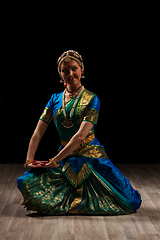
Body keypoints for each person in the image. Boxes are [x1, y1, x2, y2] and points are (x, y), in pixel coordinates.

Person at [17, 50, 142, 215]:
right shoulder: (54, 99)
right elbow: (37, 133)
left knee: (130, 201)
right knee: (27, 181)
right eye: (65, 70)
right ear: (60, 74)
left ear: (81, 70)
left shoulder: (92, 98)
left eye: (74, 68)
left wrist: (53, 161)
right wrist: (29, 160)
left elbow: (81, 136)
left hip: (91, 155)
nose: (70, 73)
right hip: (65, 157)